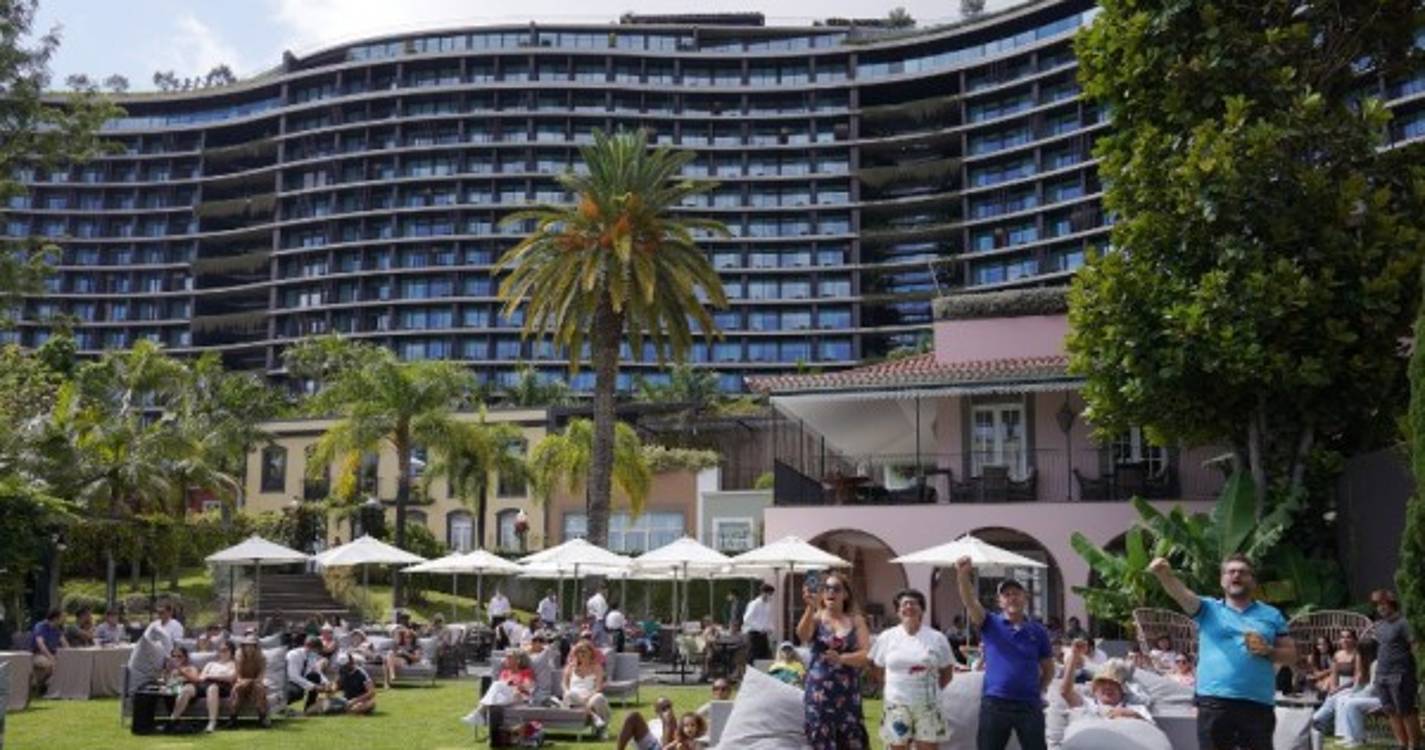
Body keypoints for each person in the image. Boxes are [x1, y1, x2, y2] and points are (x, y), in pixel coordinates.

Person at [1149, 554, 1294, 750]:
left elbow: (1291, 655)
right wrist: (1164, 575)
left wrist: (1269, 651)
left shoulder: (1272, 615)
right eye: (1231, 571)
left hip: (1258, 702)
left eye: (1243, 572)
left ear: (1253, 581)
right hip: (1214, 701)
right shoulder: (1207, 609)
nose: (1236, 575)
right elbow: (1181, 594)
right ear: (1222, 580)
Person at [955, 557, 1054, 750]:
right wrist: (962, 575)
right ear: (1000, 602)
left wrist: (1038, 690)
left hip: (1029, 704)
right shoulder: (989, 623)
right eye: (1007, 595)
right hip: (995, 703)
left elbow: (1048, 669)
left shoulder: (1038, 631)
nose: (1012, 598)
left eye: (1016, 593)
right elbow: (970, 601)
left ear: (1025, 598)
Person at [870, 588, 955, 750]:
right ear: (898, 611)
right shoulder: (887, 637)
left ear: (922, 609)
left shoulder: (937, 638)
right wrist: (892, 687)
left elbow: (947, 672)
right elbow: (877, 668)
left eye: (914, 603)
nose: (909, 606)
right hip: (896, 704)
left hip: (929, 706)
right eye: (904, 604)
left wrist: (930, 690)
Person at [797, 571, 871, 750]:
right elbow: (802, 635)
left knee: (849, 740)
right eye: (827, 588)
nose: (831, 592)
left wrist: (842, 658)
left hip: (847, 694)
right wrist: (810, 608)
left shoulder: (856, 621)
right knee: (820, 739)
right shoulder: (816, 618)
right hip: (819, 694)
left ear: (845, 594)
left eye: (836, 588)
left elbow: (866, 655)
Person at [1369, 589, 1419, 750]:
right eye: (1377, 605)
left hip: (1401, 674)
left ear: (1392, 604)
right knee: (1390, 711)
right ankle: (1401, 744)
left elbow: (1415, 647)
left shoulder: (1404, 623)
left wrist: (1418, 670)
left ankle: (1414, 745)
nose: (1380, 607)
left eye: (1383, 603)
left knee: (1406, 711)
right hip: (1382, 674)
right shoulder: (1380, 625)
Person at [1312, 637, 1378, 746]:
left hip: (1376, 697)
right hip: (1364, 693)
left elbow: (1373, 689)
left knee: (1349, 702)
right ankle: (1344, 735)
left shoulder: (1376, 664)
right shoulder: (1365, 663)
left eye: (1360, 652)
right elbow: (1358, 684)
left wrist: (1355, 694)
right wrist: (1353, 691)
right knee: (1340, 698)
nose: (1359, 655)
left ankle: (1357, 738)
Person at [1059, 647, 1153, 723]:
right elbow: (1065, 692)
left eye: (1114, 683)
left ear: (1123, 689)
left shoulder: (1136, 709)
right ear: (1095, 689)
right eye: (1102, 682)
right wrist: (1074, 656)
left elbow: (1152, 733)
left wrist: (1133, 716)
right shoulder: (1087, 704)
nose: (1108, 686)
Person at [564, 640, 611, 731]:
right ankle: (594, 716)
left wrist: (588, 697)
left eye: (584, 651)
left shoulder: (597, 667)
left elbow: (598, 687)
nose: (582, 654)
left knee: (599, 698)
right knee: (569, 694)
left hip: (590, 696)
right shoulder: (570, 667)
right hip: (574, 697)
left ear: (591, 653)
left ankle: (603, 728)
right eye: (579, 651)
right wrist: (566, 691)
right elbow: (564, 684)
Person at [196, 641, 238, 733]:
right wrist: (209, 677)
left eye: (225, 650)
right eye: (220, 650)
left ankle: (212, 722)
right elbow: (201, 677)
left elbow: (231, 678)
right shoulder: (211, 664)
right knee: (210, 687)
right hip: (206, 685)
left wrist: (211, 676)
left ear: (231, 651)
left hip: (224, 686)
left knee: (213, 688)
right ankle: (174, 720)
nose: (222, 652)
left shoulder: (233, 664)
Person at [230, 637, 271, 728]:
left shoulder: (261, 657)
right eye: (247, 646)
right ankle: (233, 718)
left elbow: (261, 675)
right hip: (242, 681)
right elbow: (238, 676)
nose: (249, 648)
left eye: (252, 646)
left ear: (255, 647)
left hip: (255, 681)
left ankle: (262, 718)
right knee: (237, 689)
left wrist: (252, 681)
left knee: (259, 689)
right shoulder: (238, 656)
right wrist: (244, 682)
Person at [163, 645, 206, 727]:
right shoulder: (171, 670)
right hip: (174, 689)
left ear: (185, 657)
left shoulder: (191, 668)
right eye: (174, 656)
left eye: (179, 656)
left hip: (190, 688)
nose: (176, 658)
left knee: (186, 689)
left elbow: (196, 679)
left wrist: (180, 670)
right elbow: (166, 682)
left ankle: (172, 720)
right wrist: (167, 671)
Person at [286, 635, 332, 711]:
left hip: (298, 679)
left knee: (315, 676)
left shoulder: (311, 656)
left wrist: (326, 682)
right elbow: (293, 676)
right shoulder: (293, 655)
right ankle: (280, 707)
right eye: (316, 650)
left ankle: (309, 708)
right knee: (297, 693)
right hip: (286, 682)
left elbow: (316, 671)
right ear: (308, 647)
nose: (317, 653)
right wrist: (314, 686)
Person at [30, 608, 67, 691]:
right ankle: (41, 685)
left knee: (65, 663)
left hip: (53, 654)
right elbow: (41, 644)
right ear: (55, 618)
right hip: (38, 654)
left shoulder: (58, 628)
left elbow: (65, 643)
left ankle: (43, 684)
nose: (65, 619)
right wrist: (51, 657)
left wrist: (71, 654)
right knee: (50, 664)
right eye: (63, 617)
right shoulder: (40, 626)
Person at [526, 631, 560, 705]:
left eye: (540, 641)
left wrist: (546, 644)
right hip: (530, 688)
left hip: (543, 689)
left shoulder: (547, 653)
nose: (537, 643)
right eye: (535, 640)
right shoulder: (526, 655)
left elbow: (552, 648)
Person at [744, 583, 775, 663]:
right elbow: (747, 619)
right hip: (754, 634)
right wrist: (760, 628)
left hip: (763, 635)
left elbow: (768, 619)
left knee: (764, 657)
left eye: (771, 594)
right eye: (769, 594)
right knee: (753, 656)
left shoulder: (768, 605)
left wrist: (771, 628)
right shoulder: (754, 604)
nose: (770, 596)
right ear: (763, 593)